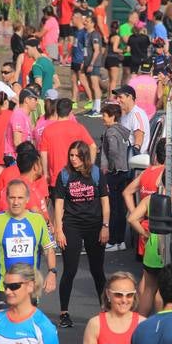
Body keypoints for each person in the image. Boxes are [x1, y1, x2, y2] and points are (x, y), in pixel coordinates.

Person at [54, 141, 109, 328]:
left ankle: (105, 310)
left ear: (85, 156)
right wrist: (58, 230)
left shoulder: (95, 174)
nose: (73, 159)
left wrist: (105, 226)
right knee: (70, 270)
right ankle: (64, 313)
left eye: (77, 156)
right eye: (71, 156)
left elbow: (105, 203)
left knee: (97, 271)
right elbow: (59, 204)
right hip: (72, 226)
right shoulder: (64, 175)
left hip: (94, 226)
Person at [0, 179, 56, 310]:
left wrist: (52, 272)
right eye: (12, 197)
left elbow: (49, 250)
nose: (16, 202)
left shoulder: (37, 220)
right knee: (3, 326)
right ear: (6, 198)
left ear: (27, 199)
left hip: (30, 285)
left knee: (27, 326)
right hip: (2, 286)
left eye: (20, 198)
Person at [38, 97, 96, 188]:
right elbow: (93, 146)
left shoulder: (47, 130)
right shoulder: (78, 128)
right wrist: (89, 167)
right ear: (70, 112)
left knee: (57, 201)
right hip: (76, 175)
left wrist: (46, 174)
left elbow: (43, 153)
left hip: (56, 177)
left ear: (57, 111)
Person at [100, 102, 131, 251]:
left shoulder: (110, 132)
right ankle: (121, 241)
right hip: (125, 172)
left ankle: (112, 240)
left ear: (112, 116)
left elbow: (112, 151)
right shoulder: (123, 130)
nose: (102, 118)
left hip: (114, 174)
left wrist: (110, 167)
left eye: (104, 115)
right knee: (121, 209)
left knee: (112, 208)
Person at [112, 84, 150, 155]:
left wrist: (134, 155)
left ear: (129, 97)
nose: (117, 100)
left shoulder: (136, 114)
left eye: (120, 97)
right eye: (116, 97)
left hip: (133, 160)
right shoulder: (125, 114)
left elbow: (138, 140)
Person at [4, 87, 38, 162]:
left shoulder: (25, 116)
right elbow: (17, 142)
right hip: (15, 158)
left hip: (22, 157)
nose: (37, 102)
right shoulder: (18, 115)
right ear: (26, 100)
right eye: (35, 99)